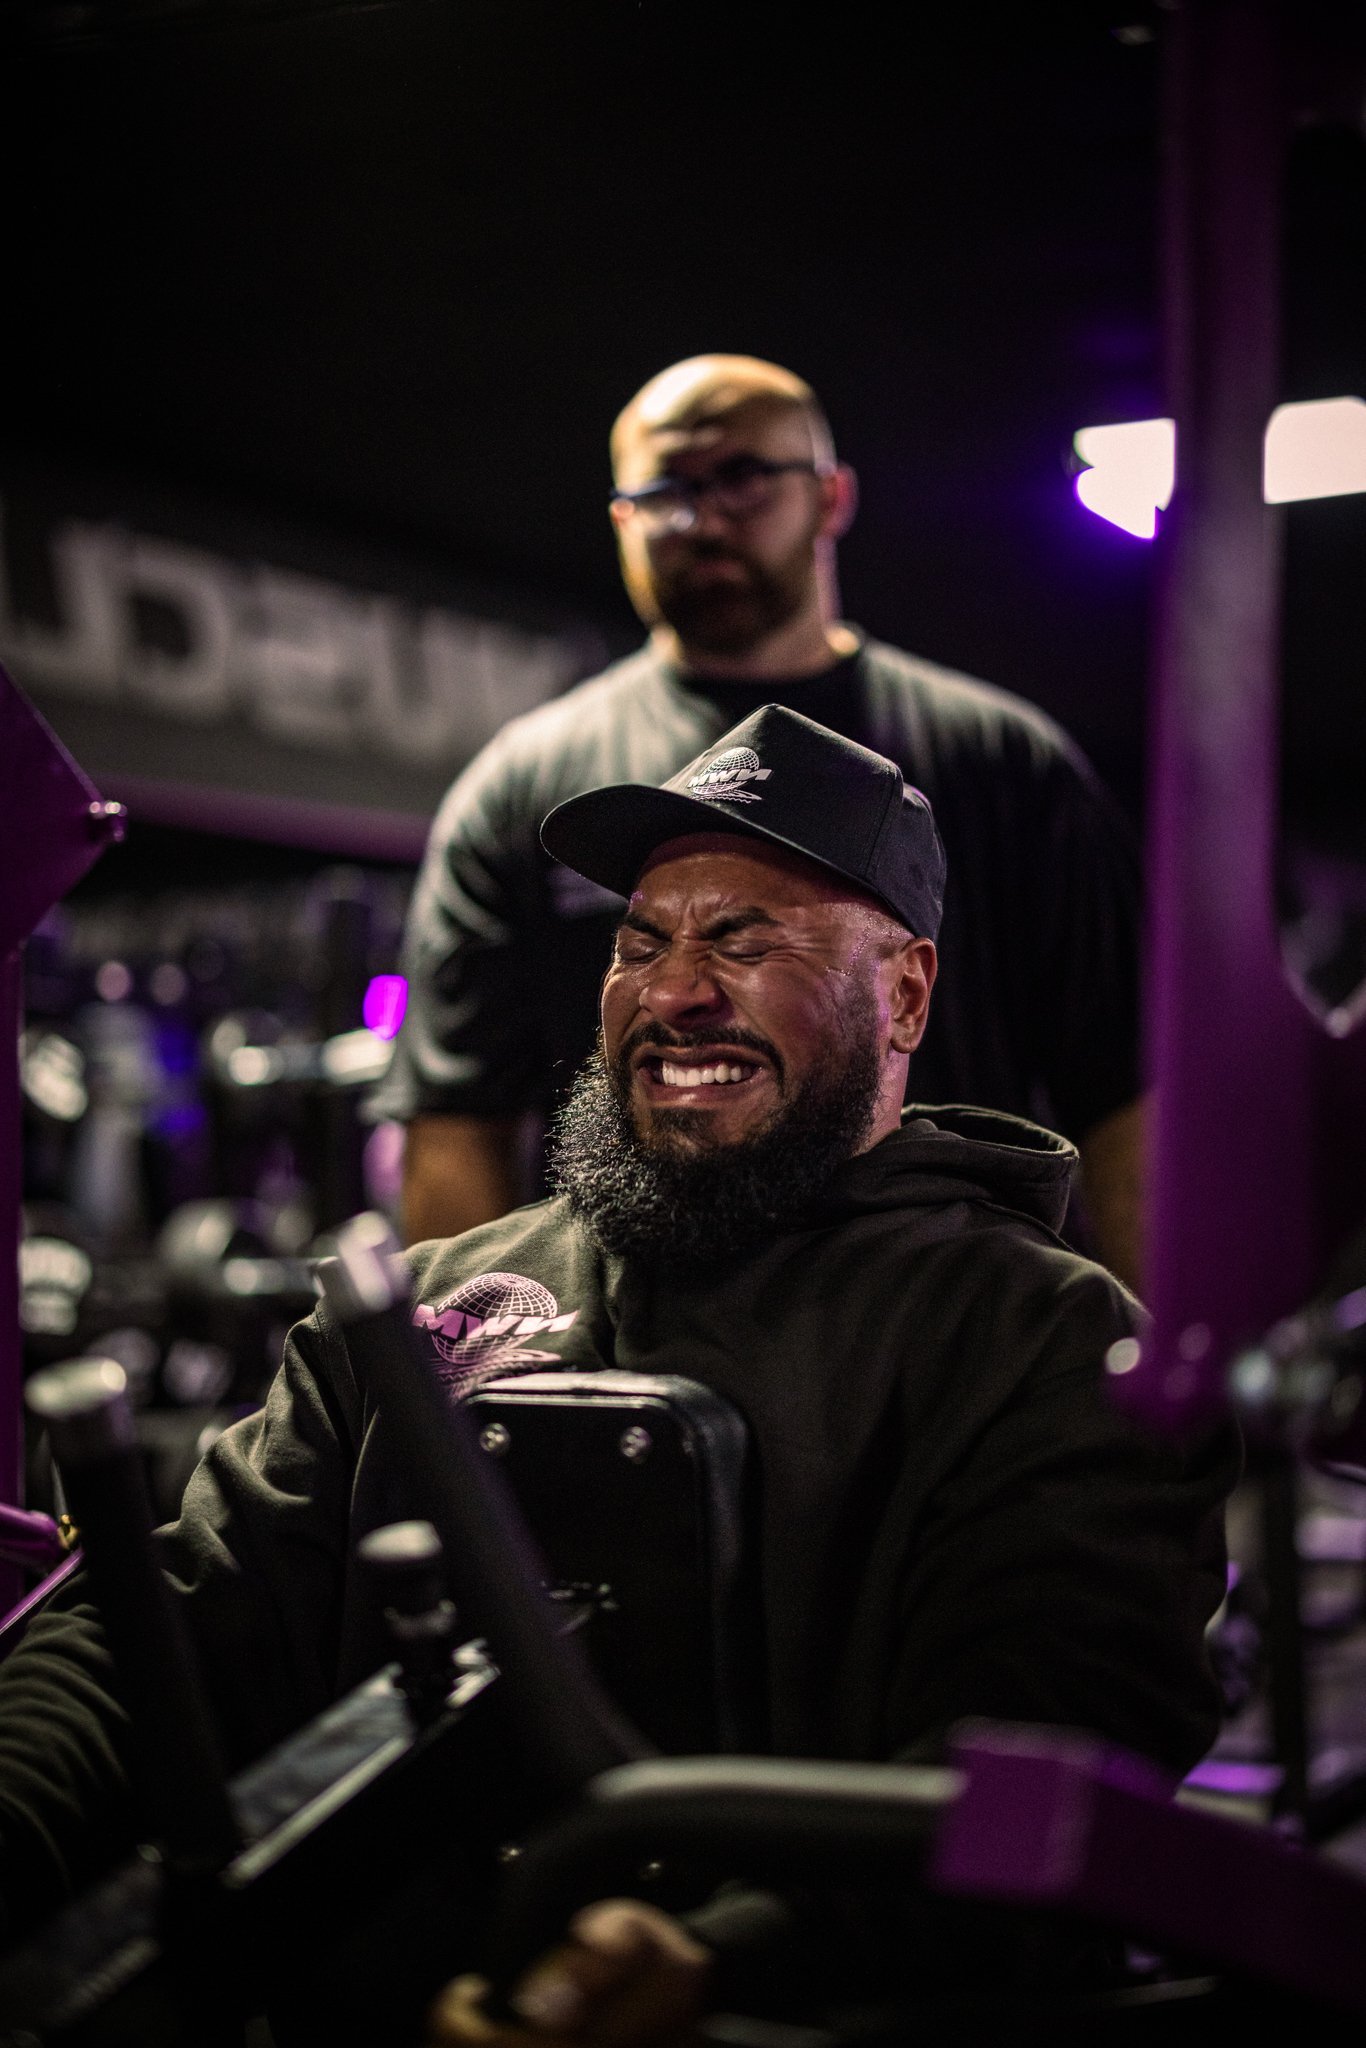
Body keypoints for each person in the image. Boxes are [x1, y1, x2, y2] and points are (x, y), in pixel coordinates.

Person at [0, 709, 1231, 2021]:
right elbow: (173, 1621)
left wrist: (723, 1960)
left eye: (744, 940)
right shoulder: (426, 1305)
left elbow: (1045, 1772)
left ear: (906, 994)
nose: (673, 990)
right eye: (639, 941)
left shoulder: (1039, 1340)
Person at [375, 354, 1146, 1290]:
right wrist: (485, 1383)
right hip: (635, 1348)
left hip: (944, 1318)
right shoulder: (523, 787)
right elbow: (457, 1122)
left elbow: (1123, 1097)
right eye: (664, 490)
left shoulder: (1002, 763)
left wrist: (1165, 1369)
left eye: (742, 477)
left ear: (830, 497)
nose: (701, 518)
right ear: (620, 518)